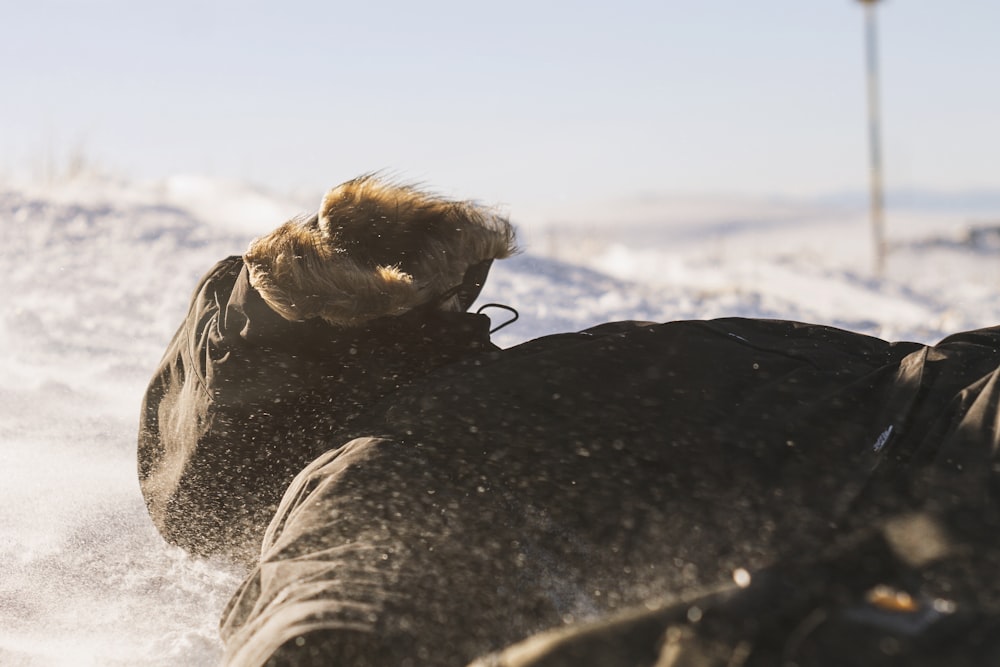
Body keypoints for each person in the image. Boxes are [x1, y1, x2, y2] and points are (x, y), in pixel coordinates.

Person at [139, 176, 1000, 666]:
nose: (477, 321)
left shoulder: (510, 396)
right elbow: (327, 630)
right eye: (448, 306)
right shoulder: (374, 474)